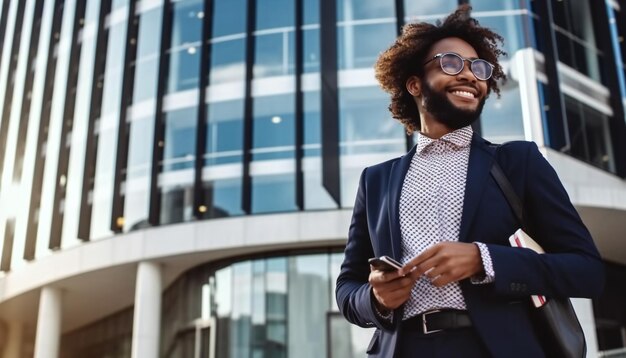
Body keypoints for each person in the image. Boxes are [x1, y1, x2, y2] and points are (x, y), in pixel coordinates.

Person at [335, 5, 604, 358]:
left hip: (495, 348)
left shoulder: (517, 161)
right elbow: (347, 289)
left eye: (478, 67)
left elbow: (586, 270)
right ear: (415, 84)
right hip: (404, 349)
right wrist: (376, 298)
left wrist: (485, 259)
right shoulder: (376, 181)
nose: (470, 76)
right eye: (450, 63)